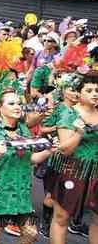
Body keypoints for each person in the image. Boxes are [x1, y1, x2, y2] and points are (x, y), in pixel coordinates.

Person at [0, 89, 55, 244]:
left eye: (19, 103)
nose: (17, 106)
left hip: (20, 192)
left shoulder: (24, 130)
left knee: (30, 233)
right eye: (11, 103)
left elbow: (31, 159)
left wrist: (49, 151)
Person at [47, 71, 98, 244]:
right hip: (72, 170)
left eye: (97, 90)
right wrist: (79, 133)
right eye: (89, 90)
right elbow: (65, 149)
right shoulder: (69, 113)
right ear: (79, 93)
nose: (95, 94)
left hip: (96, 172)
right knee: (62, 216)